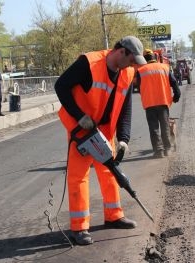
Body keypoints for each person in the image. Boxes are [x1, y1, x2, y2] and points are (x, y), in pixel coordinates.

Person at [54, 36, 147, 245]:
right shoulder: (89, 63)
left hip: (104, 130)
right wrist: (79, 116)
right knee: (79, 176)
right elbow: (60, 86)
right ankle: (79, 228)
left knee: (109, 171)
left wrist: (123, 139)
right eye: (131, 60)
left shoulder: (127, 72)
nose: (132, 65)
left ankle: (114, 216)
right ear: (121, 52)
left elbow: (125, 108)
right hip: (82, 129)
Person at [136, 49, 181, 158]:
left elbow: (139, 88)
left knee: (153, 128)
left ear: (144, 59)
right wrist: (176, 95)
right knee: (165, 126)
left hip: (149, 103)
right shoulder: (164, 68)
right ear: (154, 57)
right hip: (163, 101)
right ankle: (167, 149)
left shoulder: (140, 71)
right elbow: (174, 83)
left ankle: (159, 151)